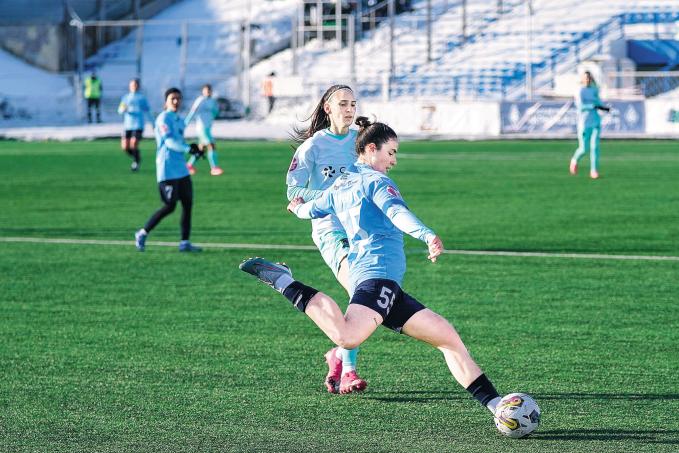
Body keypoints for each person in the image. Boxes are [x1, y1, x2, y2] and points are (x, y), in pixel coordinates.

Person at [239, 117, 507, 419]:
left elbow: (312, 209)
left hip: (386, 286)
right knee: (348, 337)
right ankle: (284, 281)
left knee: (448, 338)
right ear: (370, 149)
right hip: (376, 277)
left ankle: (498, 406)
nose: (393, 160)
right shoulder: (376, 182)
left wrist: (297, 207)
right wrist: (427, 234)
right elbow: (397, 213)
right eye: (390, 152)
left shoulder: (342, 184)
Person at [287, 84, 364, 395]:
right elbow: (293, 191)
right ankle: (349, 371)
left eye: (353, 104)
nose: (349, 109)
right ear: (328, 108)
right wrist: (330, 196)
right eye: (343, 104)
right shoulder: (313, 147)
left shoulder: (361, 141)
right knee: (359, 290)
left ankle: (338, 354)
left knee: (367, 296)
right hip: (330, 228)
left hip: (360, 229)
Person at [134, 88, 205, 253]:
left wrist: (194, 149)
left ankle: (185, 242)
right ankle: (142, 233)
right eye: (172, 98)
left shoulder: (178, 119)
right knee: (170, 206)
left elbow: (179, 141)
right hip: (167, 170)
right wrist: (188, 149)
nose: (176, 101)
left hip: (182, 169)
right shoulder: (163, 118)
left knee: (188, 204)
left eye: (178, 98)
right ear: (166, 101)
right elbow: (170, 142)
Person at [569, 71, 609, 180]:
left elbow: (598, 102)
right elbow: (580, 107)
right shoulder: (580, 91)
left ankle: (594, 170)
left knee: (595, 147)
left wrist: (604, 107)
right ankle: (574, 160)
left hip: (595, 121)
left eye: (589, 78)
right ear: (582, 79)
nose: (588, 80)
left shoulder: (594, 90)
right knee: (583, 149)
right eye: (586, 78)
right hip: (584, 123)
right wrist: (592, 106)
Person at [184, 84, 223, 176]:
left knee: (201, 149)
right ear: (203, 91)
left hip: (207, 128)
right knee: (211, 145)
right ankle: (214, 168)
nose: (208, 92)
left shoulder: (212, 101)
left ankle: (189, 165)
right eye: (206, 90)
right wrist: (185, 123)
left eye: (209, 90)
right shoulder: (200, 100)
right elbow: (192, 111)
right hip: (201, 128)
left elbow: (215, 112)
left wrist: (215, 113)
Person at [117, 78, 154, 172]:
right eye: (132, 85)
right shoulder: (126, 98)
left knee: (133, 144)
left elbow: (148, 111)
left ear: (138, 86)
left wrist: (153, 124)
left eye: (135, 85)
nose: (134, 87)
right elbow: (120, 110)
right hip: (127, 125)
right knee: (125, 147)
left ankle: (136, 162)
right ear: (130, 86)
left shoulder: (142, 98)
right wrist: (122, 110)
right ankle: (137, 157)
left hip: (138, 125)